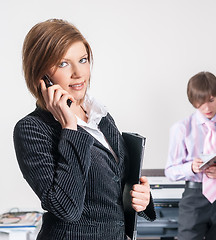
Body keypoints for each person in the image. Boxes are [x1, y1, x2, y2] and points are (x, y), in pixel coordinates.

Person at [13, 19, 155, 240]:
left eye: (83, 60)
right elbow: (66, 208)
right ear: (41, 75)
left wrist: (142, 199)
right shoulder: (32, 129)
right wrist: (70, 128)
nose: (78, 73)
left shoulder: (100, 115)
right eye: (63, 63)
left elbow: (117, 181)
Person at [165, 71, 216, 240]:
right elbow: (170, 171)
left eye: (211, 100)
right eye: (201, 103)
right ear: (193, 102)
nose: (207, 108)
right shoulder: (181, 128)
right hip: (193, 198)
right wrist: (191, 167)